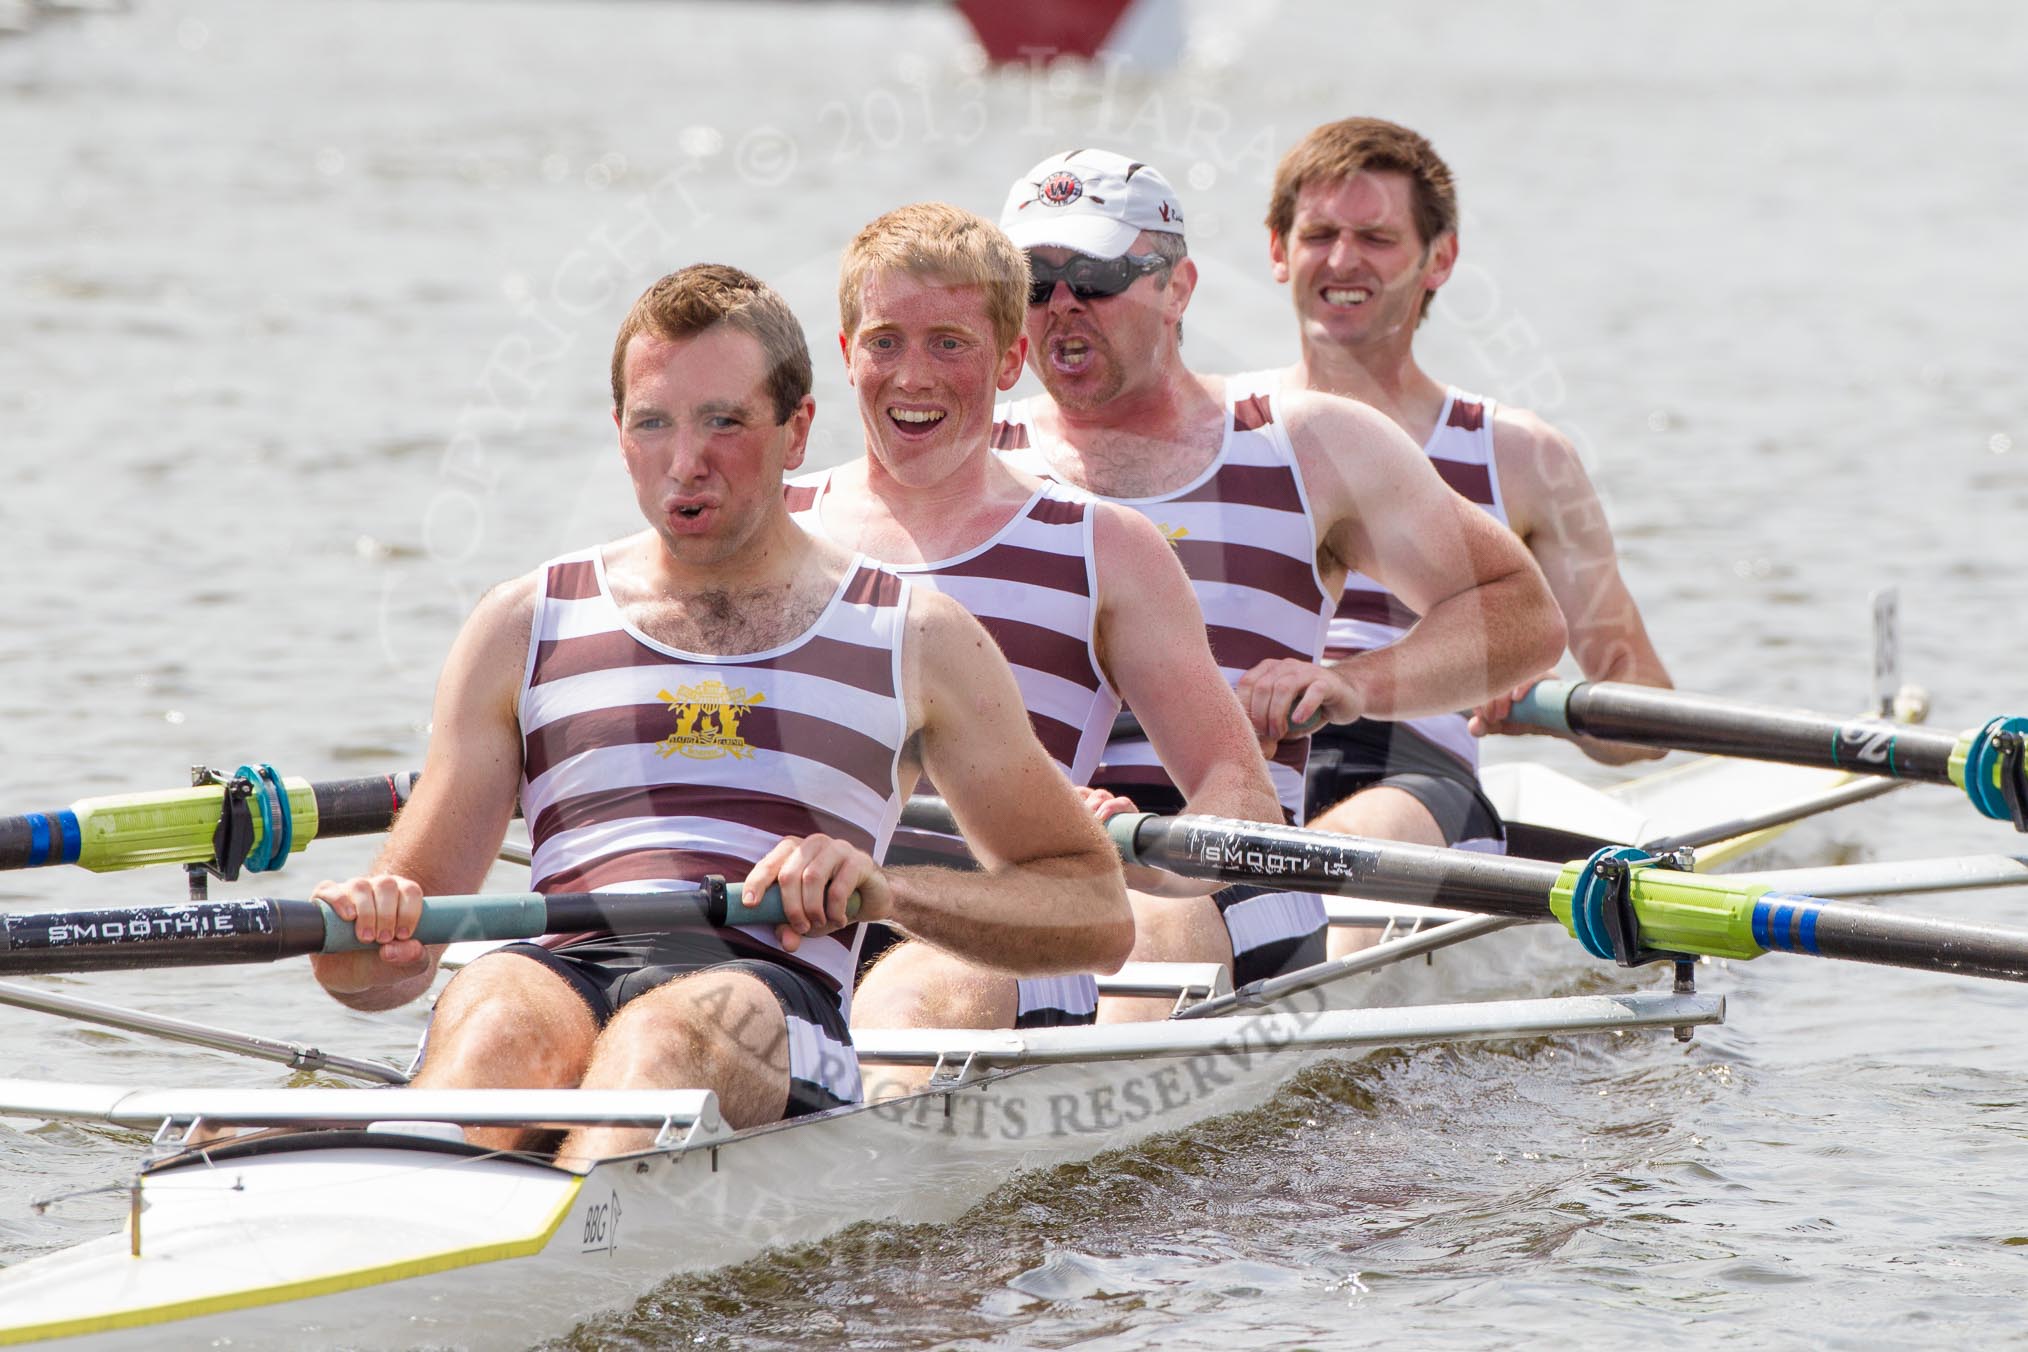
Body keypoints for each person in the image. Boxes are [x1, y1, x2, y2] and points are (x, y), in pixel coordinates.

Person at [309, 264, 1132, 1161]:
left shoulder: (916, 635)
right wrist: (364, 940)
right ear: (619, 435)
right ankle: (418, 1216)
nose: (685, 461)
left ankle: (546, 1245)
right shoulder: (523, 623)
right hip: (560, 960)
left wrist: (888, 890)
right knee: (496, 1011)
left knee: (670, 1037)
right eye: (653, 423)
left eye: (724, 422)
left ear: (797, 431)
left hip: (768, 991)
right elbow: (375, 967)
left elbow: (1093, 910)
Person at [993, 148, 1566, 961]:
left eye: (1092, 277)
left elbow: (1522, 612)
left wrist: (1352, 684)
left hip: (1226, 861)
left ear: (1176, 288)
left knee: (1140, 932)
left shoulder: (1306, 443)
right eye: (1030, 282)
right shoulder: (970, 458)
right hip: (1029, 856)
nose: (1060, 306)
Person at [788, 202, 1281, 1032]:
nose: (914, 376)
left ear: (1012, 358)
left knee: (904, 1004)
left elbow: (1244, 801)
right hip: (793, 913)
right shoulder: (776, 525)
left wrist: (1154, 853)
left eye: (950, 342)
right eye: (885, 341)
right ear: (845, 354)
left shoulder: (1105, 549)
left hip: (1005, 936)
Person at [1260, 117, 1673, 862]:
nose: (1343, 260)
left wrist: (1536, 697)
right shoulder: (1223, 428)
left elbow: (1641, 703)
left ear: (1439, 259)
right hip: (1238, 756)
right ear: (1277, 251)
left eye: (1377, 239)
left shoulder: (1520, 456)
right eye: (1319, 234)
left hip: (1405, 774)